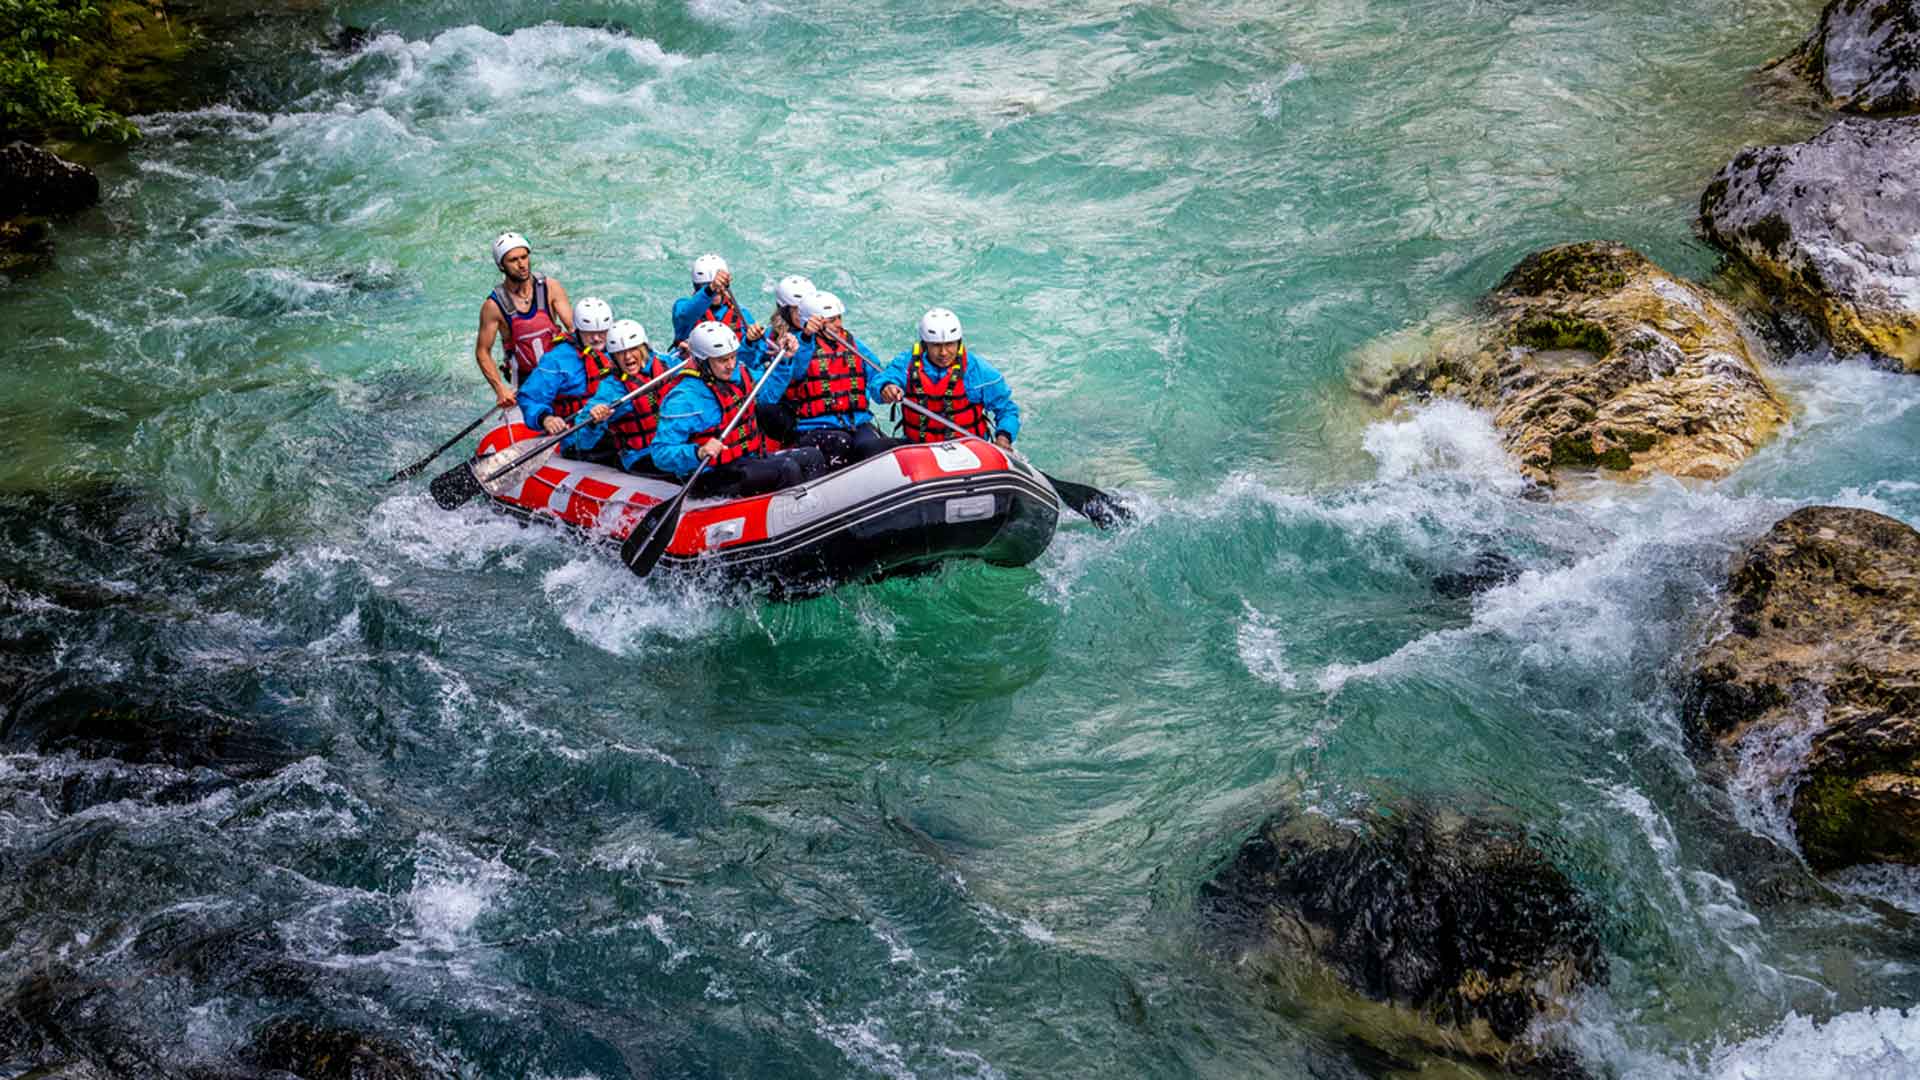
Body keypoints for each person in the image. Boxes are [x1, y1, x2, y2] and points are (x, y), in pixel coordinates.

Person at [652, 321, 826, 497]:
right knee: (786, 469)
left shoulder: (739, 374)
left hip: (747, 460)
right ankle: (791, 514)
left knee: (812, 457)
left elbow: (768, 394)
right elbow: (661, 454)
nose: (730, 364)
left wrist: (785, 360)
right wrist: (698, 452)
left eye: (733, 356)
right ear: (702, 361)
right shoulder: (683, 399)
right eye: (722, 360)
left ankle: (815, 509)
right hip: (711, 475)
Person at [759, 290, 895, 468]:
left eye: (839, 318)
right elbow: (796, 372)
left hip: (857, 422)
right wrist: (807, 336)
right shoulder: (797, 345)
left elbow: (876, 374)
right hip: (814, 427)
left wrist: (886, 388)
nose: (838, 324)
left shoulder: (852, 344)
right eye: (831, 320)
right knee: (840, 442)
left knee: (873, 447)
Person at [872, 308, 1021, 450]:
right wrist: (886, 387)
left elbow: (1007, 409)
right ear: (925, 345)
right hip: (919, 448)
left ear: (959, 343)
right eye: (936, 345)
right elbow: (882, 381)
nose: (943, 352)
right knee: (870, 448)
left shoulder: (978, 370)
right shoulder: (907, 363)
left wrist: (1003, 437)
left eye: (950, 344)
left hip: (968, 449)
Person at [474, 231, 575, 409]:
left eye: (524, 257)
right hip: (527, 384)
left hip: (560, 374)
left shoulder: (551, 287)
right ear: (501, 266)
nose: (522, 265)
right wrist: (500, 390)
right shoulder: (493, 306)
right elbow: (482, 352)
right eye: (513, 260)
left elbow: (575, 330)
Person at [575, 318, 688, 474]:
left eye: (632, 349)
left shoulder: (666, 364)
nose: (627, 357)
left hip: (672, 444)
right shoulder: (612, 388)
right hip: (640, 455)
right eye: (620, 353)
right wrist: (594, 421)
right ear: (613, 356)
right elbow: (582, 442)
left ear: (644, 348)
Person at [517, 296, 615, 451]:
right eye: (590, 333)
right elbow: (529, 397)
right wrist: (546, 419)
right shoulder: (556, 360)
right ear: (577, 329)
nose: (597, 338)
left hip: (614, 424)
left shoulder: (620, 350)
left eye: (602, 332)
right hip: (577, 432)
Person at [669, 253, 768, 359]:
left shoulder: (741, 313)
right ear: (697, 287)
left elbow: (749, 359)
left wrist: (750, 341)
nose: (716, 291)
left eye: (719, 286)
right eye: (704, 286)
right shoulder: (682, 306)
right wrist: (710, 290)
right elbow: (686, 315)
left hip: (725, 370)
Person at [768, 274, 815, 342]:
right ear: (785, 312)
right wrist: (806, 336)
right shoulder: (771, 337)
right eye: (796, 309)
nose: (804, 314)